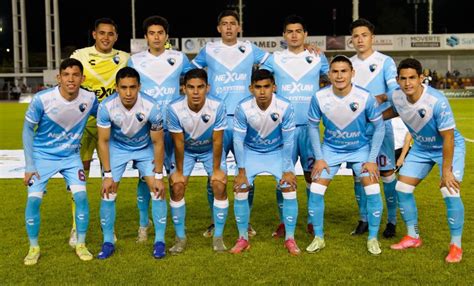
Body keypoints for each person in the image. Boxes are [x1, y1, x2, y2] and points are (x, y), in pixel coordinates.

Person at [191, 10, 270, 238]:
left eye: (232, 24)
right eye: (224, 24)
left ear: (238, 27)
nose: (228, 27)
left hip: (245, 120)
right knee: (214, 174)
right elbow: (190, 71)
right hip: (216, 121)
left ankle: (246, 221)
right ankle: (216, 221)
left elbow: (275, 65)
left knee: (247, 173)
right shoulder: (209, 50)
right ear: (218, 28)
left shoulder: (249, 49)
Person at [382, 58, 465, 263]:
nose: (408, 83)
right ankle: (413, 236)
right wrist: (372, 117)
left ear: (421, 78)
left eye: (412, 78)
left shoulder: (436, 100)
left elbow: (448, 137)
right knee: (403, 188)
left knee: (449, 189)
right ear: (398, 80)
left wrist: (446, 171)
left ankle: (456, 246)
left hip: (448, 147)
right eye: (403, 78)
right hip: (421, 147)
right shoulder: (397, 96)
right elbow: (395, 109)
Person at [307, 55, 385, 255]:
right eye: (335, 71)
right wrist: (319, 157)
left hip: (360, 151)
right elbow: (313, 127)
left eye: (344, 71)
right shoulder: (319, 97)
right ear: (329, 74)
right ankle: (318, 237)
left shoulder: (365, 97)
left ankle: (373, 238)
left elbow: (379, 127)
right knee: (316, 190)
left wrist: (371, 159)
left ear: (352, 73)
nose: (339, 75)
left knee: (373, 189)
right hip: (331, 151)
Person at [22, 58, 98, 265]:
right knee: (34, 200)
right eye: (66, 75)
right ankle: (33, 247)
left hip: (71, 157)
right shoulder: (42, 99)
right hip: (42, 157)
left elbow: (104, 118)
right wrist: (30, 165)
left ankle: (81, 244)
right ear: (59, 77)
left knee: (81, 197)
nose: (71, 79)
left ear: (82, 78)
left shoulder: (90, 99)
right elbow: (28, 130)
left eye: (75, 75)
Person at [261, 14, 329, 238]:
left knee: (313, 176)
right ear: (283, 35)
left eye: (298, 31)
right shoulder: (274, 58)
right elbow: (258, 79)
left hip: (309, 127)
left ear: (305, 35)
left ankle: (311, 220)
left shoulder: (318, 57)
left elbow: (335, 83)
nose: (294, 35)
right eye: (289, 31)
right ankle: (284, 221)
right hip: (283, 128)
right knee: (284, 175)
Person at [128, 15, 192, 243]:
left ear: (166, 36)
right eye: (152, 33)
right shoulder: (135, 61)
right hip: (146, 130)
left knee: (175, 178)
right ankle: (144, 225)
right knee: (145, 179)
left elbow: (197, 77)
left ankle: (177, 230)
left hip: (173, 128)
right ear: (145, 37)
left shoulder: (179, 58)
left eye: (160, 33)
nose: (156, 37)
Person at [68, 18, 129, 247]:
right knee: (78, 179)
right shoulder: (80, 55)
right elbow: (69, 81)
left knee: (110, 178)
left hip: (111, 127)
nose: (106, 37)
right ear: (94, 34)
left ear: (116, 36)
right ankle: (76, 227)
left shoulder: (124, 58)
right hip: (83, 126)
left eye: (110, 34)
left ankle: (108, 228)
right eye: (101, 33)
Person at [96, 67, 166, 259]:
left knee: (157, 189)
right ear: (116, 87)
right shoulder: (106, 106)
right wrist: (107, 175)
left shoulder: (152, 107)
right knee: (108, 191)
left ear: (139, 87)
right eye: (123, 87)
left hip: (145, 148)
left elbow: (158, 142)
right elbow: (103, 141)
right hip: (118, 148)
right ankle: (108, 241)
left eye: (132, 87)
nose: (128, 93)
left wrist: (159, 176)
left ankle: (159, 241)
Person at [230, 69, 300, 256]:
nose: (262, 91)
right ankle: (243, 238)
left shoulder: (285, 106)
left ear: (274, 87)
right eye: (258, 87)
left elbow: (289, 141)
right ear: (251, 88)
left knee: (289, 186)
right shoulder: (243, 107)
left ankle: (290, 238)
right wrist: (242, 171)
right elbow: (237, 140)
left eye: (266, 87)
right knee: (241, 188)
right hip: (251, 153)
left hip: (277, 153)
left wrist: (287, 169)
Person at [167, 68, 228, 254]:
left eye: (200, 87)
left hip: (210, 149)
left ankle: (218, 237)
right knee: (177, 185)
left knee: (219, 183)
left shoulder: (218, 106)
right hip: (186, 151)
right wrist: (178, 171)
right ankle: (180, 238)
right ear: (183, 88)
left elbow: (218, 140)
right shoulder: (174, 108)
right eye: (191, 87)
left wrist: (216, 169)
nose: (195, 92)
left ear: (207, 88)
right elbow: (178, 144)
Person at [349, 18, 399, 238]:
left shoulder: (385, 62)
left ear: (372, 38)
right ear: (351, 40)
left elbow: (396, 90)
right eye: (356, 36)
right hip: (356, 130)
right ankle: (364, 219)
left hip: (381, 126)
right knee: (359, 175)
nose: (360, 40)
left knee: (387, 173)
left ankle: (391, 221)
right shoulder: (348, 65)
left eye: (364, 35)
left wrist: (381, 97)